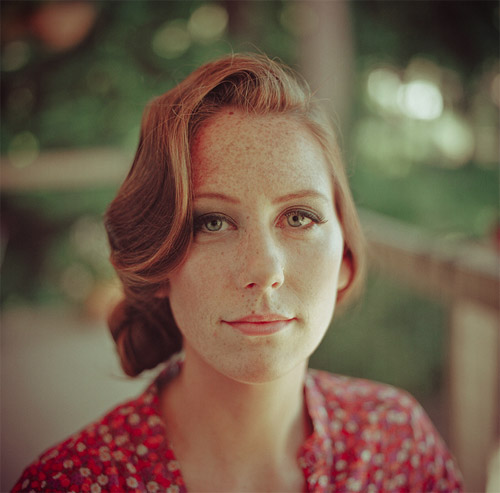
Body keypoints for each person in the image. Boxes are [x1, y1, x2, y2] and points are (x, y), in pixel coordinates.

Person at [13, 53, 463, 493]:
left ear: (344, 257)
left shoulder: (397, 444)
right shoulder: (68, 483)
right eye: (212, 222)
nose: (265, 270)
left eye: (299, 217)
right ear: (157, 264)